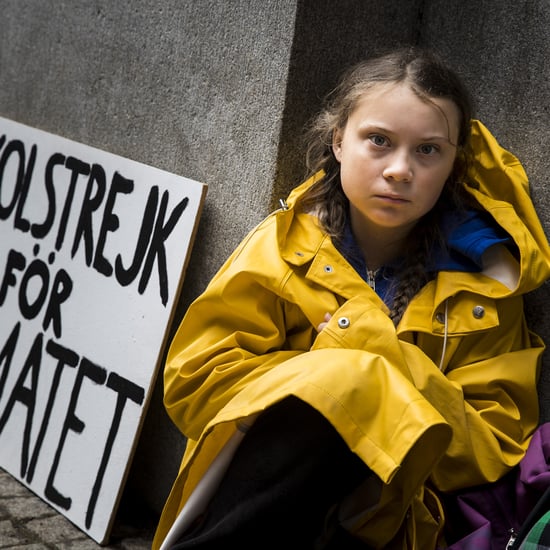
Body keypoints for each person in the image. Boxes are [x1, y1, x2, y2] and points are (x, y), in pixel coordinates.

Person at [152, 47, 550, 549]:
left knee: (356, 381)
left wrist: (370, 357)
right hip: (254, 494)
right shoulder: (285, 245)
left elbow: (496, 445)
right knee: (341, 388)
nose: (400, 170)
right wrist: (332, 378)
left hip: (386, 516)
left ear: (454, 163)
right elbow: (195, 380)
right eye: (378, 141)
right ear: (340, 140)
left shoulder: (485, 286)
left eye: (428, 150)